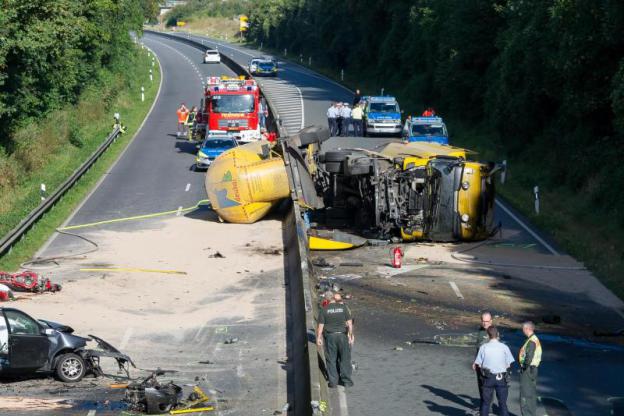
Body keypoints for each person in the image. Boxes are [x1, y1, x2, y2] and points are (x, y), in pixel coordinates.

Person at [474, 326, 514, 416]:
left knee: (486, 403)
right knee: (503, 404)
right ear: (498, 334)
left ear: (488, 335)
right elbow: (510, 363)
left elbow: (478, 364)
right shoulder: (504, 347)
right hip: (501, 378)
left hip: (487, 377)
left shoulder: (483, 347)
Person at [316, 293, 354, 388]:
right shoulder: (343, 308)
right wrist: (350, 335)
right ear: (334, 298)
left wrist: (318, 337)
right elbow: (349, 324)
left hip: (330, 337)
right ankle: (347, 381)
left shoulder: (324, 310)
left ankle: (333, 382)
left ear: (327, 300)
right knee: (345, 359)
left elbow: (320, 326)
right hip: (342, 336)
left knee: (331, 359)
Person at [473, 311, 494, 413]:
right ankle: (483, 405)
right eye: (483, 321)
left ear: (491, 321)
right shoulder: (481, 330)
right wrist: (476, 361)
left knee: (488, 387)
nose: (485, 323)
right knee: (481, 385)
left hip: (488, 365)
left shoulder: (493, 332)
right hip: (479, 363)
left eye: (487, 321)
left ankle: (488, 408)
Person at [519, 321, 542, 416]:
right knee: (531, 394)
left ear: (527, 329)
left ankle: (527, 414)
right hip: (532, 369)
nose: (522, 331)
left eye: (523, 329)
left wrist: (524, 366)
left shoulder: (531, 341)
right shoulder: (534, 339)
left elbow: (529, 356)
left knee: (526, 394)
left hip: (528, 370)